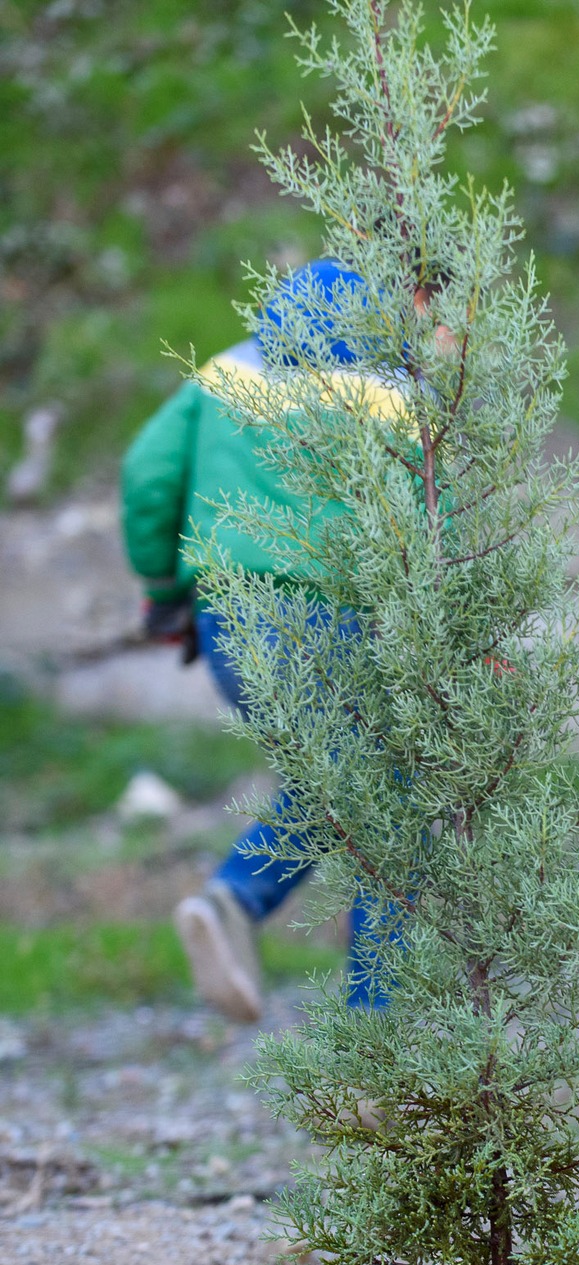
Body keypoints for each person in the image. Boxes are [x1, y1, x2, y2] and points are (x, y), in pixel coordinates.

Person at [121, 260, 397, 1022]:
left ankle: (234, 905)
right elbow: (425, 524)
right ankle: (382, 1027)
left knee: (333, 782)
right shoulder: (395, 396)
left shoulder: (223, 374)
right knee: (387, 804)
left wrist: (163, 591)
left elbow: (146, 474)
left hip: (226, 620)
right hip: (337, 625)